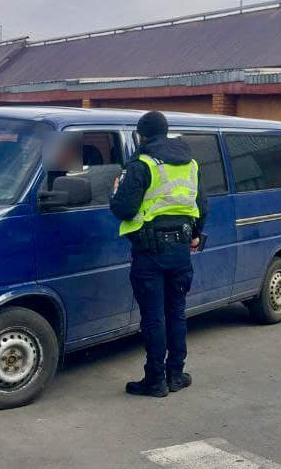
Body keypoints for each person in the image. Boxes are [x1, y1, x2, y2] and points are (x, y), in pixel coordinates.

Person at [110, 111, 207, 398]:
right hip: (180, 251)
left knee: (154, 318)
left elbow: (125, 209)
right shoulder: (190, 163)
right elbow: (201, 205)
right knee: (176, 312)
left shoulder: (142, 164)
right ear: (166, 132)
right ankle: (176, 374)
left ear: (142, 135)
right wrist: (195, 234)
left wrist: (115, 194)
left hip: (150, 253)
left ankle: (155, 381)